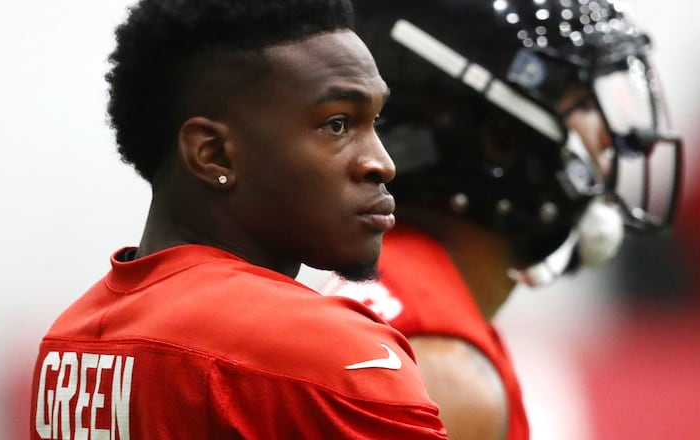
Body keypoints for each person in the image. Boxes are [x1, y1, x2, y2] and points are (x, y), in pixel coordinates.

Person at [28, 0, 449, 438]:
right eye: (337, 124)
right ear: (213, 154)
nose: (382, 163)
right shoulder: (326, 351)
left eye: (375, 121)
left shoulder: (67, 341)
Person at [316, 0, 683, 438]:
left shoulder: (396, 297)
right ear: (497, 139)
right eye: (582, 102)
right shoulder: (441, 373)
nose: (611, 138)